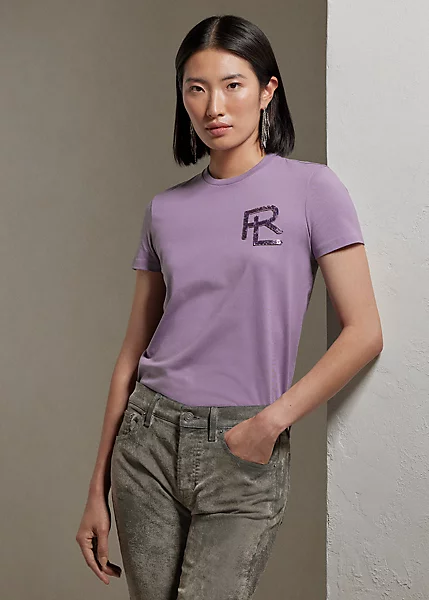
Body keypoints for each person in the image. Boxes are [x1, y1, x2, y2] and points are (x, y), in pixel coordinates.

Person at [76, 13, 383, 600]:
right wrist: (97, 489)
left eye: (233, 84)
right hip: (147, 440)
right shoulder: (164, 210)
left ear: (267, 91)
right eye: (196, 88)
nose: (214, 106)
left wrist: (270, 423)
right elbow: (131, 354)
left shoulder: (312, 189)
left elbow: (365, 331)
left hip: (243, 445)